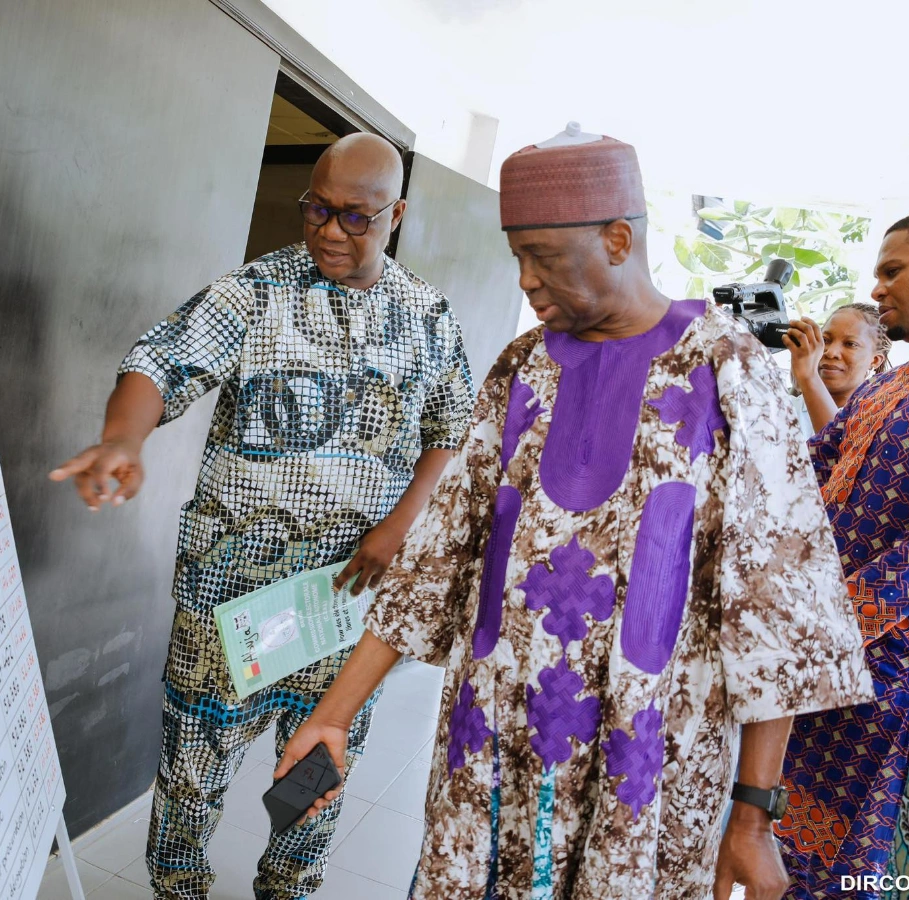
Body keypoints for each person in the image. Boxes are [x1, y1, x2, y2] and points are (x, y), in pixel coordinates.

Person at [275, 132, 873, 900]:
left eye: (545, 255)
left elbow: (777, 608)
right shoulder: (521, 368)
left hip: (643, 769)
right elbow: (437, 558)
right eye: (515, 255)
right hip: (489, 748)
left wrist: (752, 819)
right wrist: (333, 715)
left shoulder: (729, 373)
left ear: (618, 238)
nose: (525, 279)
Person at [49, 133, 474, 899]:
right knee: (191, 776)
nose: (328, 232)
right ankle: (179, 890)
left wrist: (396, 528)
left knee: (313, 779)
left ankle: (288, 888)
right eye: (317, 210)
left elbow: (451, 431)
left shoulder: (427, 316)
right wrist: (122, 437)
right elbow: (159, 361)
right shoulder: (255, 292)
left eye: (355, 217)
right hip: (230, 603)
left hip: (344, 606)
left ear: (396, 215)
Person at [775, 209, 909, 900]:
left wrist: (830, 625)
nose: (877, 287)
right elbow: (816, 467)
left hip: (890, 685)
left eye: (893, 270)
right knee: (788, 848)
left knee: (859, 869)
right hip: (822, 661)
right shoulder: (893, 385)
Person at [784, 303, 891, 436]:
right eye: (825, 340)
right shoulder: (780, 408)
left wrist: (808, 377)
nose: (831, 352)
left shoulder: (880, 423)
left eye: (850, 344)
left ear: (875, 360)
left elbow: (841, 451)